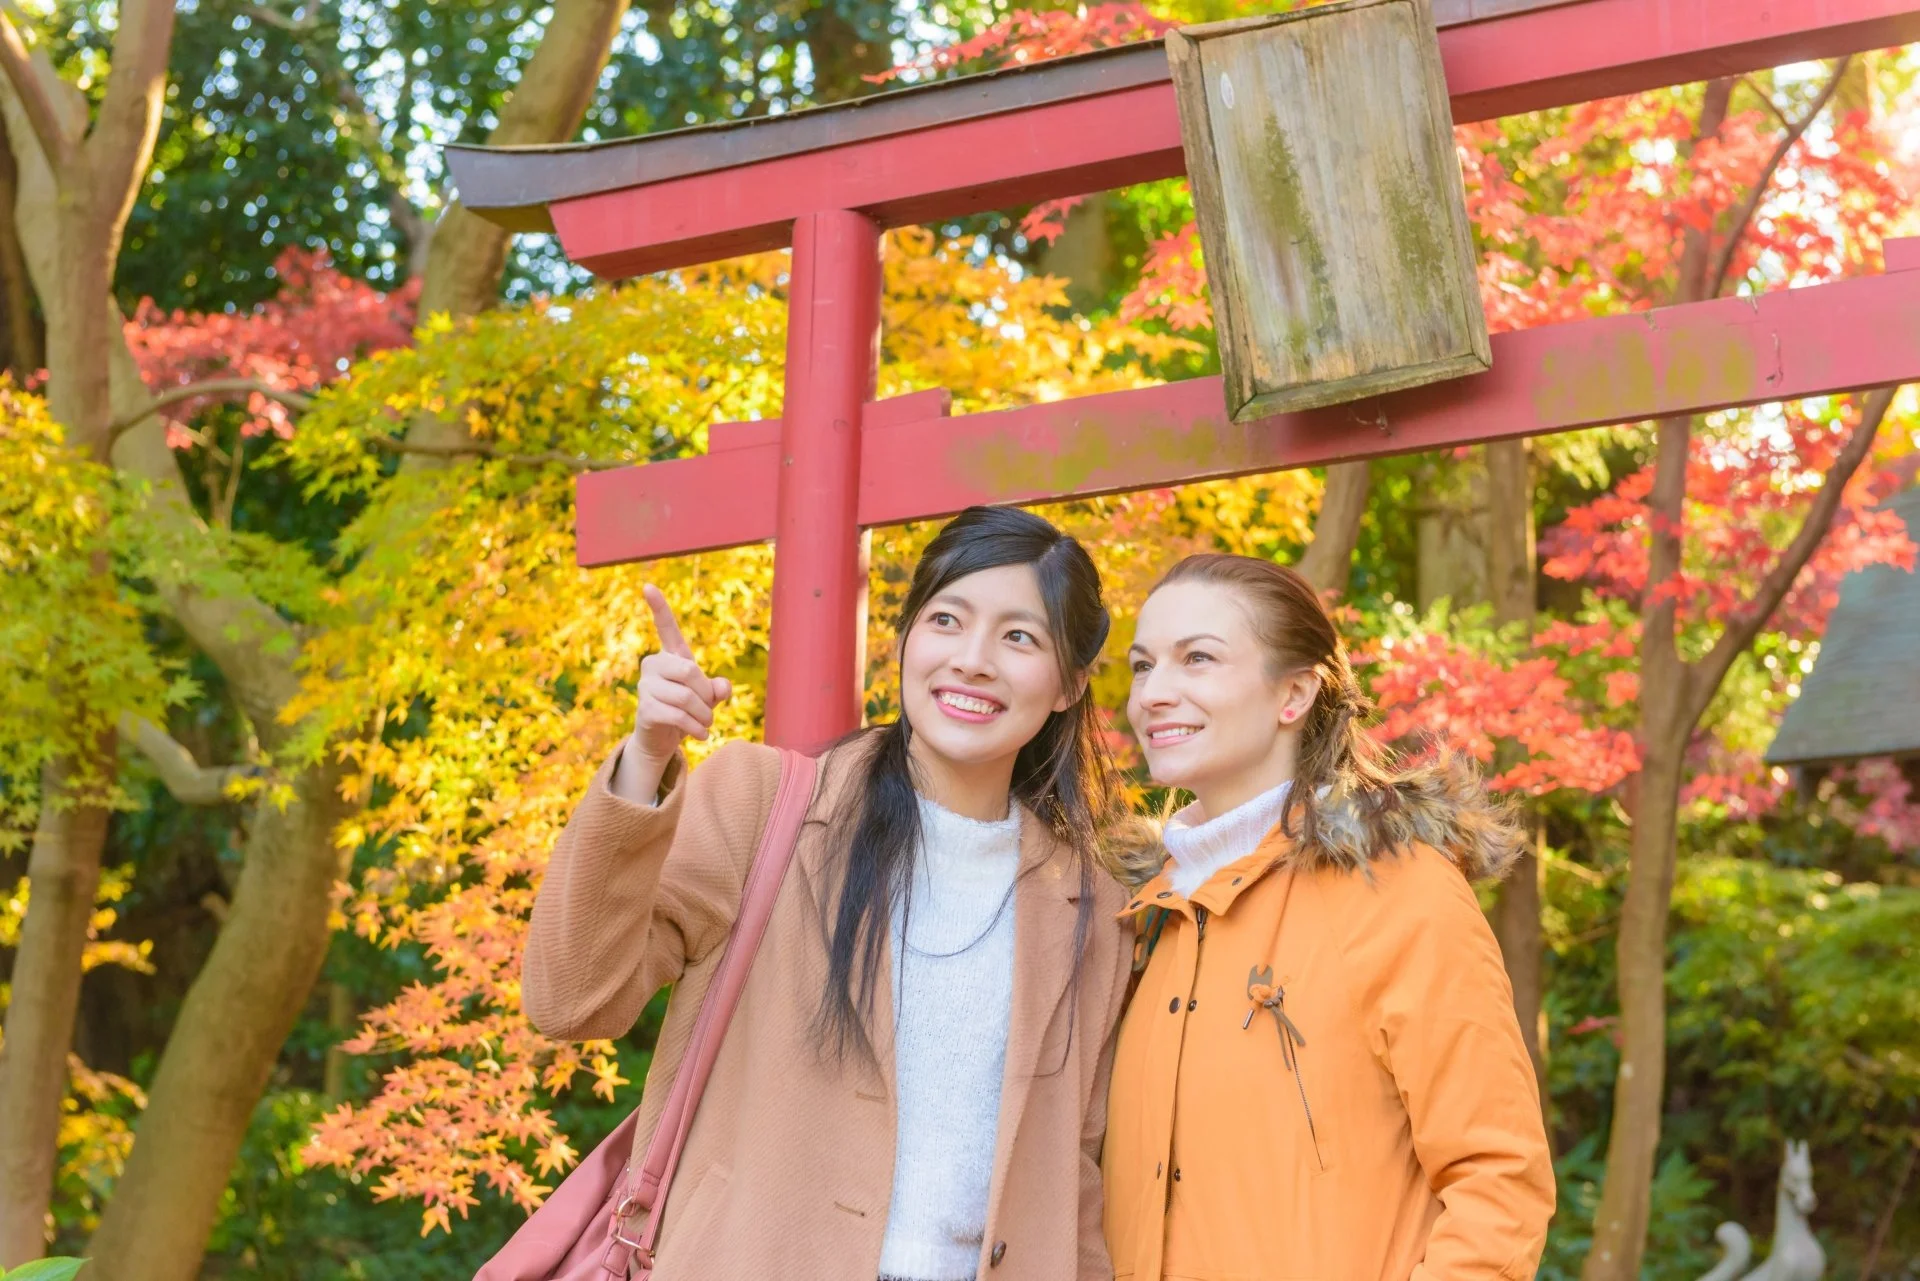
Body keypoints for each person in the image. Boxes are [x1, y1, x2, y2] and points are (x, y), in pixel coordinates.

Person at [522, 505, 1132, 1281]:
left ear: (1068, 686)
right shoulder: (763, 802)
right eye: (946, 619)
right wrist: (646, 758)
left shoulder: (1093, 907)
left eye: (1020, 637)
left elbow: (1076, 1167)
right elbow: (572, 1000)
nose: (973, 659)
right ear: (905, 638)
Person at [1102, 552, 1556, 1281]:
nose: (1155, 691)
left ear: (1295, 693)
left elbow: (1498, 1176)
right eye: (1144, 664)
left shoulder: (1398, 890)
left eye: (1198, 659)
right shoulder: (1132, 917)